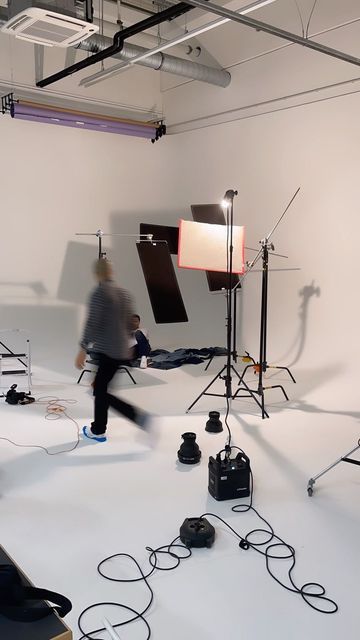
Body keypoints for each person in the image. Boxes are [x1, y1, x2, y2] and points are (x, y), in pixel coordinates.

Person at [75, 258, 151, 443]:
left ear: (97, 274)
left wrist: (83, 349)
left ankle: (112, 426)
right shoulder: (124, 294)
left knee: (101, 391)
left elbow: (92, 323)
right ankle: (100, 428)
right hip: (121, 352)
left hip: (107, 352)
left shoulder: (99, 293)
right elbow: (130, 324)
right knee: (100, 389)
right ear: (111, 272)